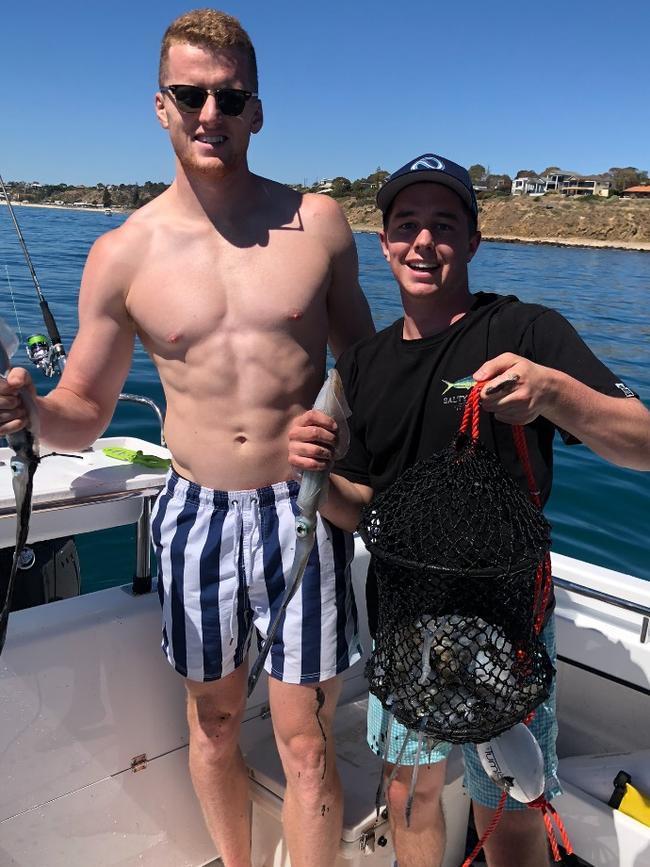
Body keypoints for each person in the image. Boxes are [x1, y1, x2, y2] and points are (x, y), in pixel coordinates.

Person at [0, 9, 374, 867]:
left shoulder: (317, 222)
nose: (211, 113)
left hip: (302, 511)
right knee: (211, 723)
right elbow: (85, 410)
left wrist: (348, 428)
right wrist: (31, 412)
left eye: (229, 96)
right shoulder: (121, 253)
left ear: (257, 111)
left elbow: (365, 363)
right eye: (190, 94)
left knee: (308, 742)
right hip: (196, 513)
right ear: (160, 106)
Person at [288, 152, 650, 867]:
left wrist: (554, 393)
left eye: (444, 225)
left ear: (474, 241)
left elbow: (641, 441)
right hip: (406, 621)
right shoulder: (361, 364)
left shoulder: (526, 330)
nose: (424, 242)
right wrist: (312, 475)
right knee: (411, 797)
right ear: (384, 241)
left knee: (510, 801)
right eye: (408, 225)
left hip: (507, 620)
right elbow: (362, 508)